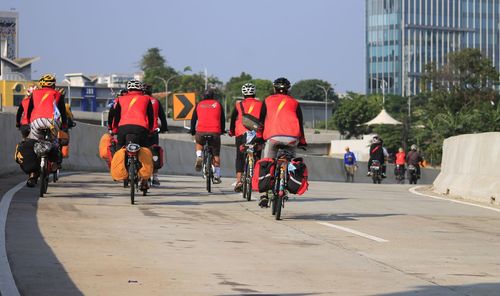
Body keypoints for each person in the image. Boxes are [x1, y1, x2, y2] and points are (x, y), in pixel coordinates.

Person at [258, 77, 307, 207]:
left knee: (267, 162)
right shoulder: (295, 103)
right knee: (291, 161)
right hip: (292, 138)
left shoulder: (267, 100)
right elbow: (300, 124)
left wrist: (259, 137)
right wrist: (302, 141)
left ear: (274, 89)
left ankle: (265, 194)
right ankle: (285, 185)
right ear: (288, 89)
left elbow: (261, 121)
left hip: (273, 137)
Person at [26, 74, 68, 187]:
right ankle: (54, 162)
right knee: (54, 142)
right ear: (54, 85)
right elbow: (63, 113)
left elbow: (29, 111)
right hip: (52, 122)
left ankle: (33, 176)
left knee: (33, 144)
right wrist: (64, 125)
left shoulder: (34, 94)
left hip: (36, 122)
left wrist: (28, 123)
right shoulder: (58, 94)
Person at [229, 83, 263, 192]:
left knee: (240, 156)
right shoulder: (261, 104)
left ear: (243, 94)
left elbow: (233, 119)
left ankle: (239, 181)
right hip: (257, 134)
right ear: (254, 93)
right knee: (257, 154)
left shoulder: (239, 105)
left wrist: (231, 132)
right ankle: (256, 180)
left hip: (241, 133)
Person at [190, 88, 225, 184]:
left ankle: (199, 156)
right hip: (215, 132)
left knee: (198, 142)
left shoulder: (199, 104)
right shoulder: (218, 104)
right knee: (216, 154)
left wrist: (192, 130)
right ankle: (217, 175)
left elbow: (193, 120)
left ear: (203, 96)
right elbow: (222, 119)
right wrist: (222, 130)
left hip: (201, 132)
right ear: (213, 96)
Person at [143, 83, 168, 186]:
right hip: (153, 131)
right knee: (154, 152)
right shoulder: (156, 101)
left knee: (141, 151)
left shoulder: (138, 101)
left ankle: (141, 174)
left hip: (141, 130)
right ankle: (155, 177)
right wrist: (164, 128)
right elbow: (162, 117)